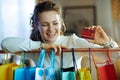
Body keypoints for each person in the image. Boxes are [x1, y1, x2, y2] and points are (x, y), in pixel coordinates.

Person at [1, 1, 119, 79]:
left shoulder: (74, 42)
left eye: (55, 23)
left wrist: (107, 42)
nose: (51, 29)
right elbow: (5, 44)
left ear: (61, 23)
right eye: (44, 24)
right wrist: (43, 46)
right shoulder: (35, 48)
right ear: (36, 26)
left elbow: (116, 56)